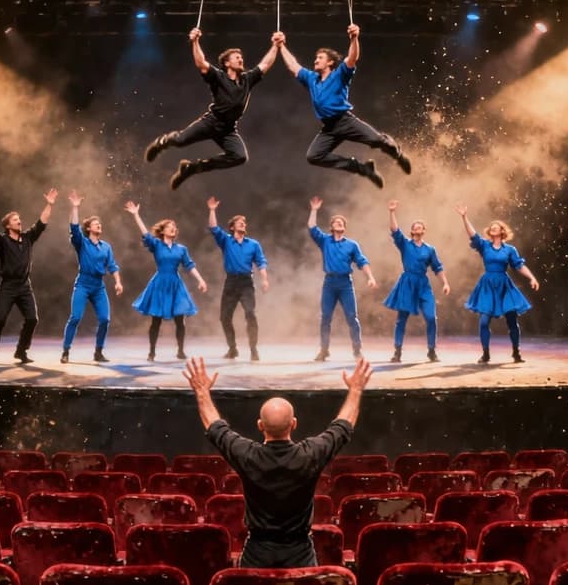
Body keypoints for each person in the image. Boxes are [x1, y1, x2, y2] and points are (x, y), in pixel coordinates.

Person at [183, 354, 372, 568]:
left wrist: (201, 391)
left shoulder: (247, 455)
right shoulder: (309, 456)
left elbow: (215, 427)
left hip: (257, 553)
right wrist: (356, 390)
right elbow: (343, 427)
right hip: (300, 553)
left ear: (260, 425)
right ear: (294, 424)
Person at [274, 24, 411, 189]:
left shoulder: (339, 74)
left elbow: (352, 58)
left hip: (345, 121)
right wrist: (281, 46)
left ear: (330, 62)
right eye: (316, 58)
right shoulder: (311, 79)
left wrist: (354, 38)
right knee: (314, 156)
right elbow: (293, 66)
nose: (316, 60)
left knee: (378, 141)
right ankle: (362, 168)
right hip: (329, 128)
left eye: (320, 58)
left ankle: (398, 155)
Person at [144, 28, 281, 190]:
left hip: (228, 130)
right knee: (180, 141)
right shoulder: (218, 76)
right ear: (227, 63)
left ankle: (192, 168)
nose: (241, 59)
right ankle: (162, 142)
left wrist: (276, 45)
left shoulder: (247, 79)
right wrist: (195, 42)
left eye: (241, 57)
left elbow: (265, 64)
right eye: (237, 57)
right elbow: (201, 63)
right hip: (211, 122)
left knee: (240, 156)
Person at [0, 188, 57, 366]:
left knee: (32, 319)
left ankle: (21, 351)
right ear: (8, 225)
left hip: (25, 285)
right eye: (15, 220)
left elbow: (42, 222)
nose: (19, 222)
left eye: (19, 219)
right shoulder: (2, 242)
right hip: (8, 285)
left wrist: (49, 204)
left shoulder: (28, 238)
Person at [455, 204, 539, 364]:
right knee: (484, 321)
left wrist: (532, 278)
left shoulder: (510, 249)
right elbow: (472, 235)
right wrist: (464, 217)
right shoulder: (484, 245)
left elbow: (519, 265)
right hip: (488, 285)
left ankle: (516, 352)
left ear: (502, 231)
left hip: (504, 285)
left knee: (512, 320)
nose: (493, 228)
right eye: (491, 227)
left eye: (496, 227)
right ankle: (485, 353)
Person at [124, 200, 207, 360]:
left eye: (174, 229)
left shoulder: (181, 249)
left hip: (175, 283)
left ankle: (181, 350)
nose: (173, 230)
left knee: (180, 318)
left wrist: (200, 280)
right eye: (170, 228)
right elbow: (145, 234)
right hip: (160, 283)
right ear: (163, 231)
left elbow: (189, 266)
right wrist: (136, 215)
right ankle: (152, 351)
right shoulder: (157, 244)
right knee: (156, 319)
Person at [307, 196, 377, 362]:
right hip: (330, 283)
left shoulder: (352, 245)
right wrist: (314, 210)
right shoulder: (325, 241)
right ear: (331, 227)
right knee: (325, 317)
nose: (339, 223)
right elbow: (312, 227)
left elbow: (362, 262)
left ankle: (357, 350)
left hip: (345, 283)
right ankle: (324, 350)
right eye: (336, 222)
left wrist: (370, 277)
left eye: (341, 222)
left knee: (352, 317)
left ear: (344, 228)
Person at [60, 189, 123, 364]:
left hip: (98, 286)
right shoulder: (82, 243)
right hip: (83, 283)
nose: (99, 226)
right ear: (88, 228)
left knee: (105, 319)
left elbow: (112, 266)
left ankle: (98, 352)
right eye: (96, 224)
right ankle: (65, 351)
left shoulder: (106, 247)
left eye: (100, 224)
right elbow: (73, 228)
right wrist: (75, 208)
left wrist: (118, 282)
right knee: (76, 317)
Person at [384, 199, 450, 363]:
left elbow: (437, 267)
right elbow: (394, 230)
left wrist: (445, 283)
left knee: (431, 317)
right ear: (412, 231)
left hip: (423, 284)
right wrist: (392, 212)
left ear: (424, 231)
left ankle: (432, 351)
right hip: (407, 282)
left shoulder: (430, 249)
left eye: (420, 227)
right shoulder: (405, 244)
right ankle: (397, 352)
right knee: (401, 319)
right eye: (415, 227)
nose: (417, 229)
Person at [207, 196, 269, 362]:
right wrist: (212, 209)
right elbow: (213, 227)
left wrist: (264, 279)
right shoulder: (226, 241)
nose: (243, 223)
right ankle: (233, 349)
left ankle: (253, 349)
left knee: (250, 314)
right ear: (232, 227)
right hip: (231, 283)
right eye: (239, 222)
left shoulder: (253, 244)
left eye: (244, 222)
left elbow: (261, 262)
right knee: (224, 317)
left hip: (246, 283)